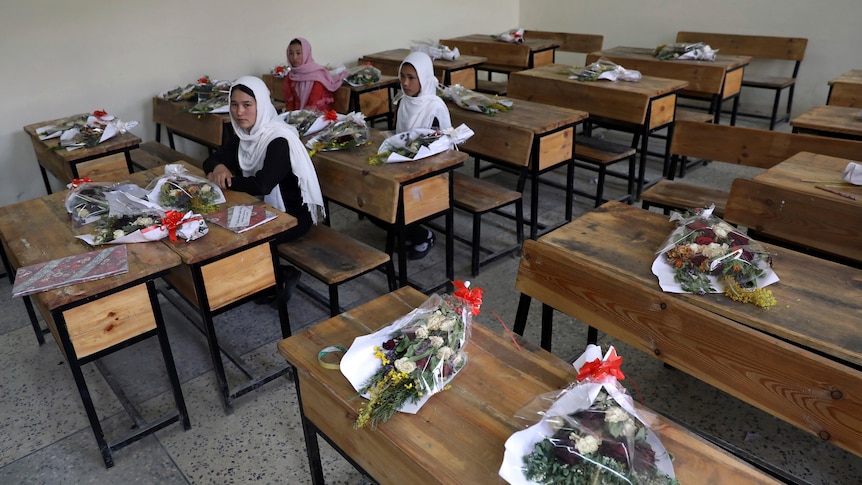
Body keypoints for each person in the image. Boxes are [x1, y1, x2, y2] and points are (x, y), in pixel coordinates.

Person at [204, 75, 326, 302]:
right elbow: (213, 159)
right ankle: (255, 279)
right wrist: (219, 166)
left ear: (261, 105)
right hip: (267, 207)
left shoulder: (278, 139)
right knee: (222, 227)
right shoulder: (244, 134)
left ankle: (279, 277)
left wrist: (226, 180)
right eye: (234, 104)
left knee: (234, 236)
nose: (239, 112)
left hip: (293, 216)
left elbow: (263, 183)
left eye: (247, 105)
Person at [393, 51, 452, 259]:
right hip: (406, 165)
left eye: (411, 77)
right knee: (375, 192)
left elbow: (438, 150)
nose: (405, 83)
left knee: (395, 198)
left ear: (424, 78)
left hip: (432, 172)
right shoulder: (404, 102)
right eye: (403, 76)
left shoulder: (434, 107)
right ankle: (407, 231)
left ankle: (423, 235)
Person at [283, 37, 347, 112]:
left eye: (298, 53)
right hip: (297, 115)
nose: (294, 57)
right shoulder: (291, 76)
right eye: (291, 53)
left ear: (306, 53)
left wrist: (297, 119)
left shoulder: (317, 76)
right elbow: (290, 102)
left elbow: (313, 105)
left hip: (317, 116)